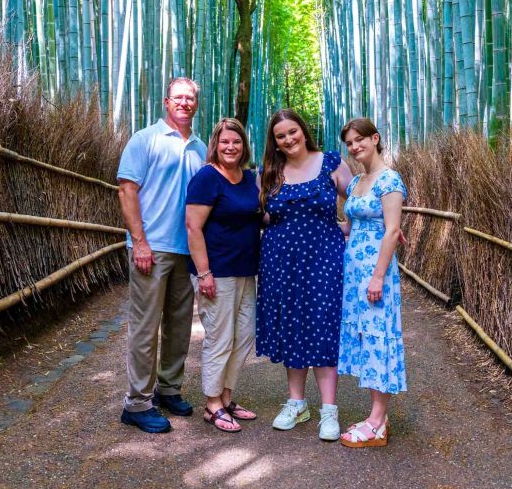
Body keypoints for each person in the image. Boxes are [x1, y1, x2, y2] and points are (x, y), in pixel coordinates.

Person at [117, 77, 208, 434]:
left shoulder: (201, 147)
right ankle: (137, 403)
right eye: (179, 97)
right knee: (145, 327)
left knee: (179, 325)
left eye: (190, 98)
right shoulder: (146, 139)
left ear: (195, 104)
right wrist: (139, 241)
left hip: (186, 249)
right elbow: (127, 191)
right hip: (151, 248)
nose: (185, 103)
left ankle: (168, 388)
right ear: (166, 101)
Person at [256, 108, 353, 441]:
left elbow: (357, 199)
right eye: (281, 136)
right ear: (275, 141)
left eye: (292, 132)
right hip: (281, 262)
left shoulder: (330, 162)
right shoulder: (269, 171)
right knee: (292, 327)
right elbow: (260, 215)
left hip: (323, 260)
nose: (288, 139)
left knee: (322, 326)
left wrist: (348, 227)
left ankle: (329, 410)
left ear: (303, 131)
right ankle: (297, 403)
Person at [185, 118, 261, 433]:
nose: (230, 147)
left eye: (237, 142)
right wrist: (204, 273)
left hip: (246, 270)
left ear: (244, 146)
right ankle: (212, 404)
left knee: (244, 336)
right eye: (224, 142)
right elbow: (193, 227)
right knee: (220, 337)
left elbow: (264, 215)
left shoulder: (251, 178)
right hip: (216, 272)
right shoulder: (206, 178)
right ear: (216, 144)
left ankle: (227, 397)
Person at [337, 118, 407, 448]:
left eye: (360, 140)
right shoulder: (356, 183)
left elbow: (392, 230)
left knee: (379, 335)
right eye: (349, 142)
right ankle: (376, 413)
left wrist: (378, 275)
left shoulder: (389, 179)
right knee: (366, 337)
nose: (354, 147)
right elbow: (349, 228)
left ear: (375, 138)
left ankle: (377, 422)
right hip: (354, 270)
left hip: (376, 272)